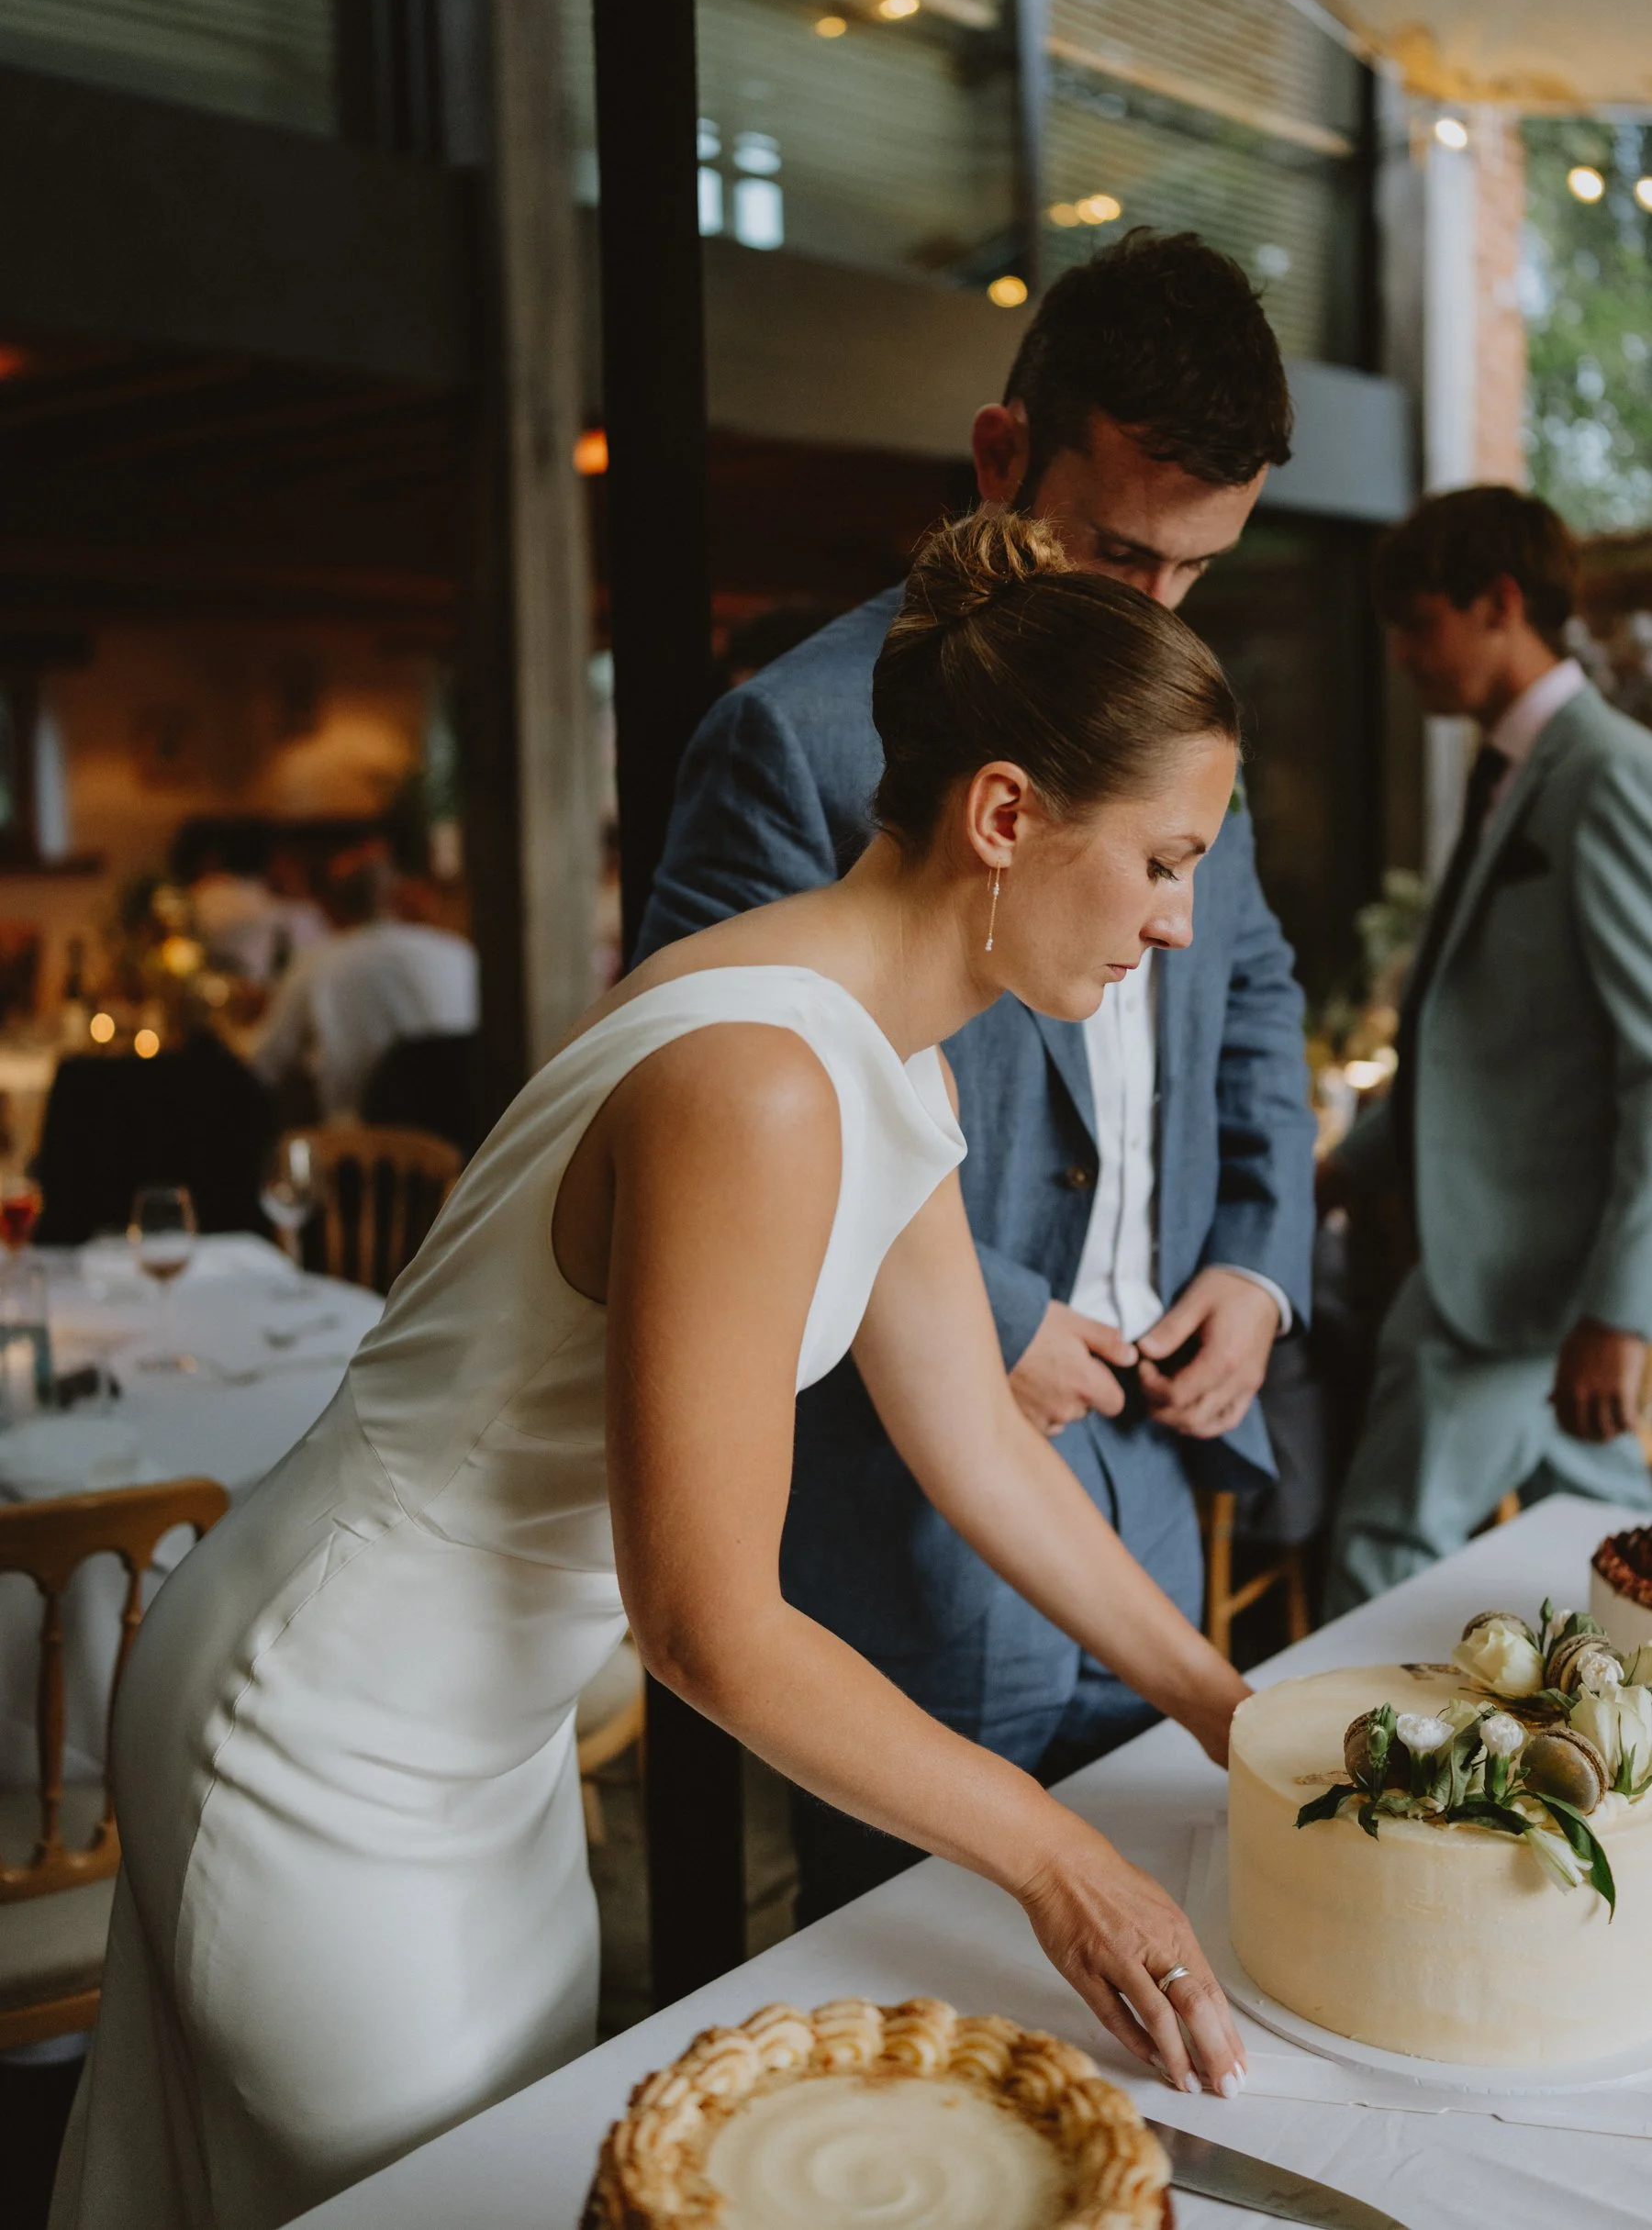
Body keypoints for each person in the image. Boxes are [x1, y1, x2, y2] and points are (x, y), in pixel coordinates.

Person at [55, 516, 1251, 2230]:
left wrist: (1229, 1707)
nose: (1181, 920)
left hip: (496, 1723)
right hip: (326, 1721)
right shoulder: (760, 1079)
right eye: (1161, 858)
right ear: (1006, 815)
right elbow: (705, 1622)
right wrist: (1060, 1855)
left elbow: (979, 1447)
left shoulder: (885, 1049)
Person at [637, 229, 1316, 1914]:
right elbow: (745, 1171)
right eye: (1115, 550)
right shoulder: (790, 761)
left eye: (1192, 573)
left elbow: (1252, 985)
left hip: (1139, 1474)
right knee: (916, 1959)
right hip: (912, 1505)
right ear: (1002, 459)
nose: (1146, 612)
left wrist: (1256, 1259)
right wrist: (1001, 1317)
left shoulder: (1174, 728)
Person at [1325, 486, 1652, 1610]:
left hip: (1515, 1273)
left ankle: (1331, 1779)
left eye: (1421, 622)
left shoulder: (1604, 771)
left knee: (1380, 1550)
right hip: (1523, 1265)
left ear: (1501, 603)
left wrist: (1622, 1310)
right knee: (1609, 1562)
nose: (1406, 656)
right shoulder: (1508, 765)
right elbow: (1492, 1036)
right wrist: (1360, 1157)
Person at [252, 845, 478, 1119]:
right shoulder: (460, 953)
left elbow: (264, 1065)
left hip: (364, 1148)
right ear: (399, 896)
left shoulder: (315, 965)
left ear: (330, 906)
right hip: (469, 1133)